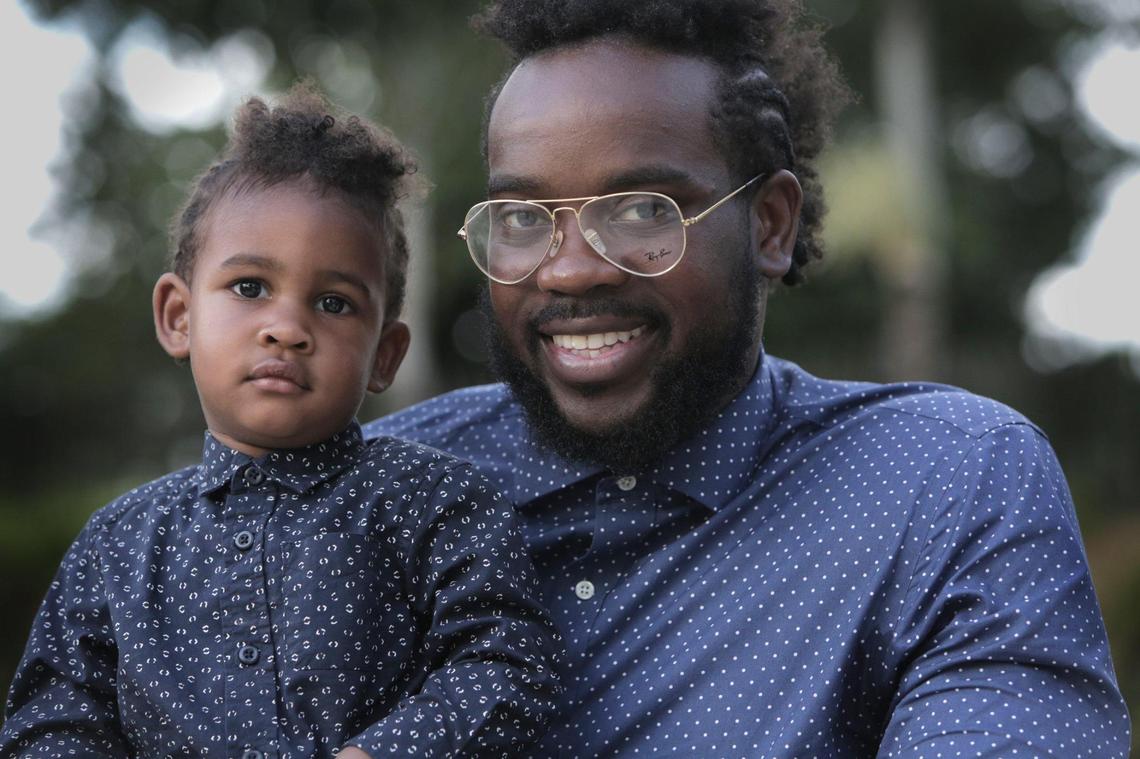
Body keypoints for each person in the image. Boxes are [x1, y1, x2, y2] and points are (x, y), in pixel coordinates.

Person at [365, 0, 1132, 756]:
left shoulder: (943, 487)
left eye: (641, 210)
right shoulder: (374, 494)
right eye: (524, 217)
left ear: (770, 223)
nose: (569, 269)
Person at [1, 82, 561, 759]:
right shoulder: (116, 546)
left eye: (334, 302)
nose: (287, 328)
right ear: (179, 317)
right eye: (250, 288)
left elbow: (507, 661)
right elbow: (53, 721)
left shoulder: (436, 501)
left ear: (384, 355)